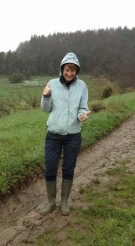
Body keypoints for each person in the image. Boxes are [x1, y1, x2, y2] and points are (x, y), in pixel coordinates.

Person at [40, 52, 91, 216]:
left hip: (73, 135)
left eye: (73, 70)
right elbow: (45, 109)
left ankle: (64, 202)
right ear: (62, 69)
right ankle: (50, 202)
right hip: (53, 135)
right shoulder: (52, 84)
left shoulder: (82, 86)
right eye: (67, 69)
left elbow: (83, 107)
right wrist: (46, 96)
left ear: (77, 71)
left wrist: (81, 115)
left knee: (69, 169)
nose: (69, 73)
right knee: (50, 169)